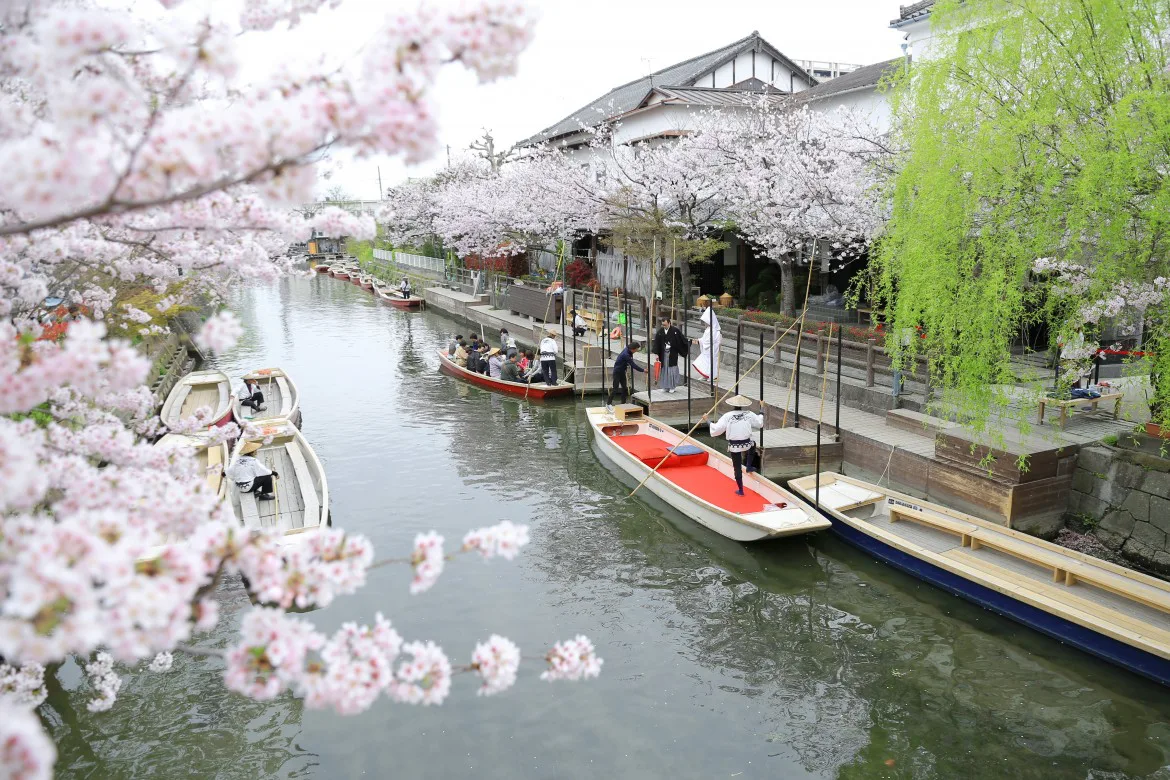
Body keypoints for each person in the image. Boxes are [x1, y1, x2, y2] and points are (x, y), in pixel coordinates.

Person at [704, 395, 763, 496]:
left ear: (732, 405)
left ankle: (741, 490)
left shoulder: (727, 416)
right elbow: (759, 422)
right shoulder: (749, 414)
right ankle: (748, 466)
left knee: (737, 467)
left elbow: (716, 429)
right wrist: (762, 408)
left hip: (735, 446)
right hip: (747, 443)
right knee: (753, 444)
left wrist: (707, 420)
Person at [652, 316, 689, 393]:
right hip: (663, 353)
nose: (664, 326)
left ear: (669, 323)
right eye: (663, 325)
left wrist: (689, 342)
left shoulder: (675, 331)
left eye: (665, 324)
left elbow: (682, 340)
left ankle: (672, 386)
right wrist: (656, 354)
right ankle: (665, 386)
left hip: (672, 353)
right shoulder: (660, 332)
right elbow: (656, 343)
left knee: (672, 369)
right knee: (664, 369)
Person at [607, 341, 644, 408]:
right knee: (615, 389)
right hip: (617, 372)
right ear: (633, 349)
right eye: (636, 350)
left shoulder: (628, 350)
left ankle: (623, 404)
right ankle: (608, 404)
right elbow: (633, 365)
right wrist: (643, 370)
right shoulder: (626, 354)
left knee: (624, 388)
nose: (636, 351)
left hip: (622, 372)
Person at [692, 305, 722, 381]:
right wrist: (699, 340)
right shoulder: (708, 329)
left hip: (711, 349)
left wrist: (701, 342)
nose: (705, 323)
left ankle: (713, 376)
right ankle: (705, 374)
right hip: (707, 349)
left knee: (711, 362)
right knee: (705, 361)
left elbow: (709, 340)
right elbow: (705, 339)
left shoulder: (715, 330)